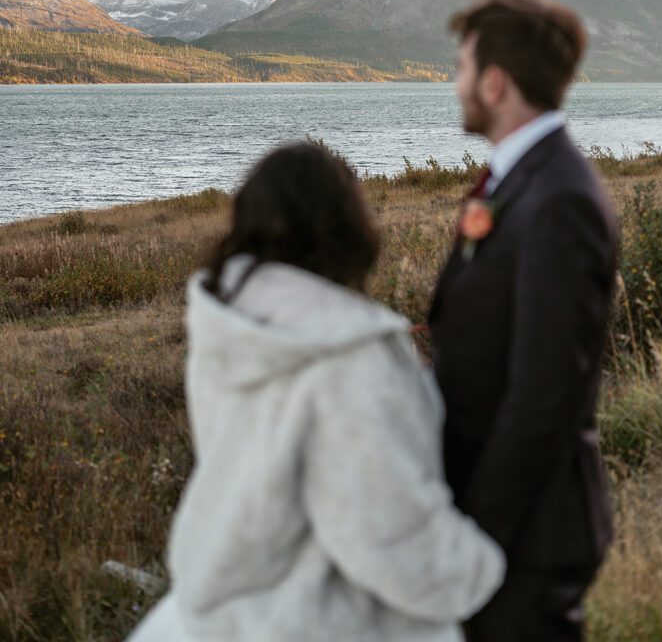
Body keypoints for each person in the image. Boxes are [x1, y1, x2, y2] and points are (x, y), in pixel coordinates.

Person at [129, 142, 504, 642]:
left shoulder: (229, 327)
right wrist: (485, 567)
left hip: (214, 611)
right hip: (333, 621)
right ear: (347, 229)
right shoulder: (347, 357)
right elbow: (386, 536)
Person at [429, 0, 618, 642]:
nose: (454, 86)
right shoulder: (519, 182)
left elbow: (544, 392)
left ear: (494, 81)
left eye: (460, 69)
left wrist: (474, 529)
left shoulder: (558, 199)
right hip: (505, 519)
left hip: (526, 526)